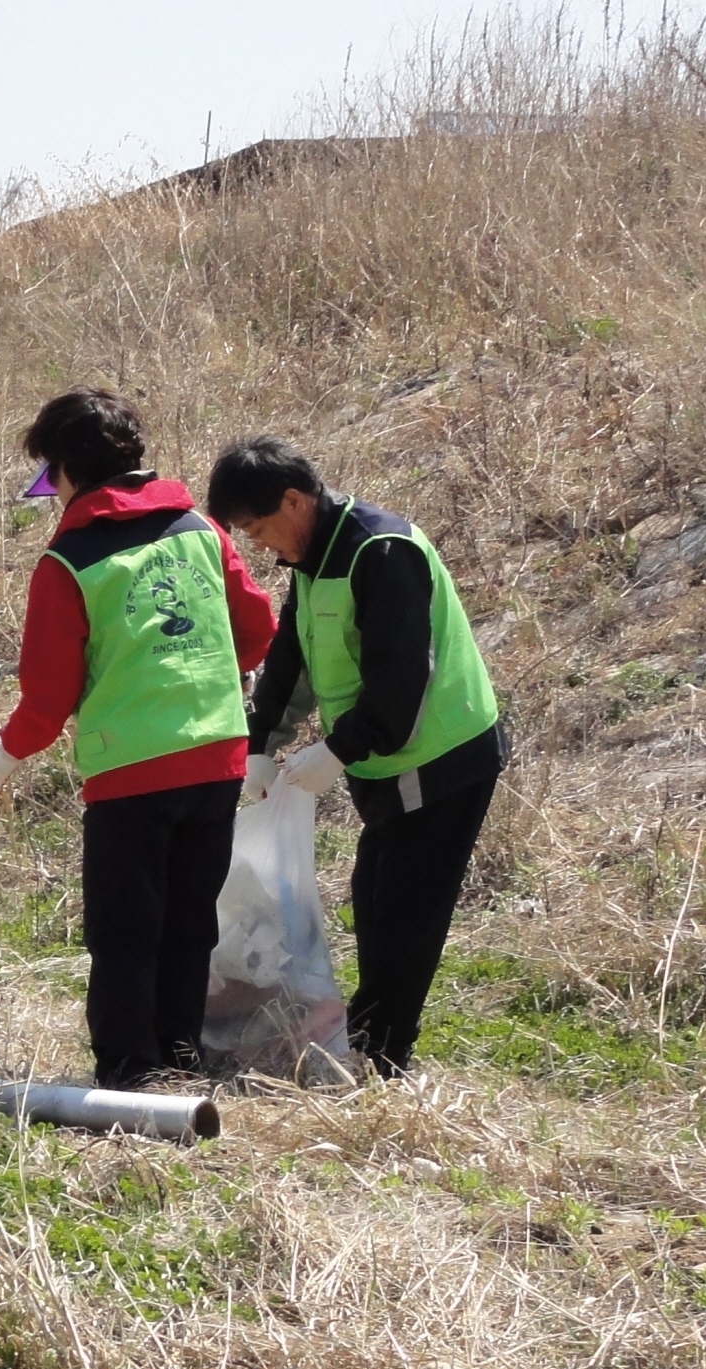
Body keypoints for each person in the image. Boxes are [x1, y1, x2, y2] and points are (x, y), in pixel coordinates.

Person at [0, 388, 278, 1089]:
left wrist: (6, 751)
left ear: (66, 470)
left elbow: (48, 696)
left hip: (131, 771)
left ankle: (127, 1075)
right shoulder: (201, 529)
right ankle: (180, 1056)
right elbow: (258, 630)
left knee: (124, 932)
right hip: (218, 757)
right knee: (190, 921)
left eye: (49, 475)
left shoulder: (67, 561)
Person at [204, 436, 505, 1079]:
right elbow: (295, 652)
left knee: (402, 912)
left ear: (293, 499)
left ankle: (383, 1058)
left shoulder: (382, 552)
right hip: (386, 761)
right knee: (373, 898)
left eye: (258, 528)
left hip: (437, 757)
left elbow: (402, 681)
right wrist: (261, 743)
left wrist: (338, 750)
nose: (258, 544)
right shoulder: (316, 556)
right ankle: (368, 1043)